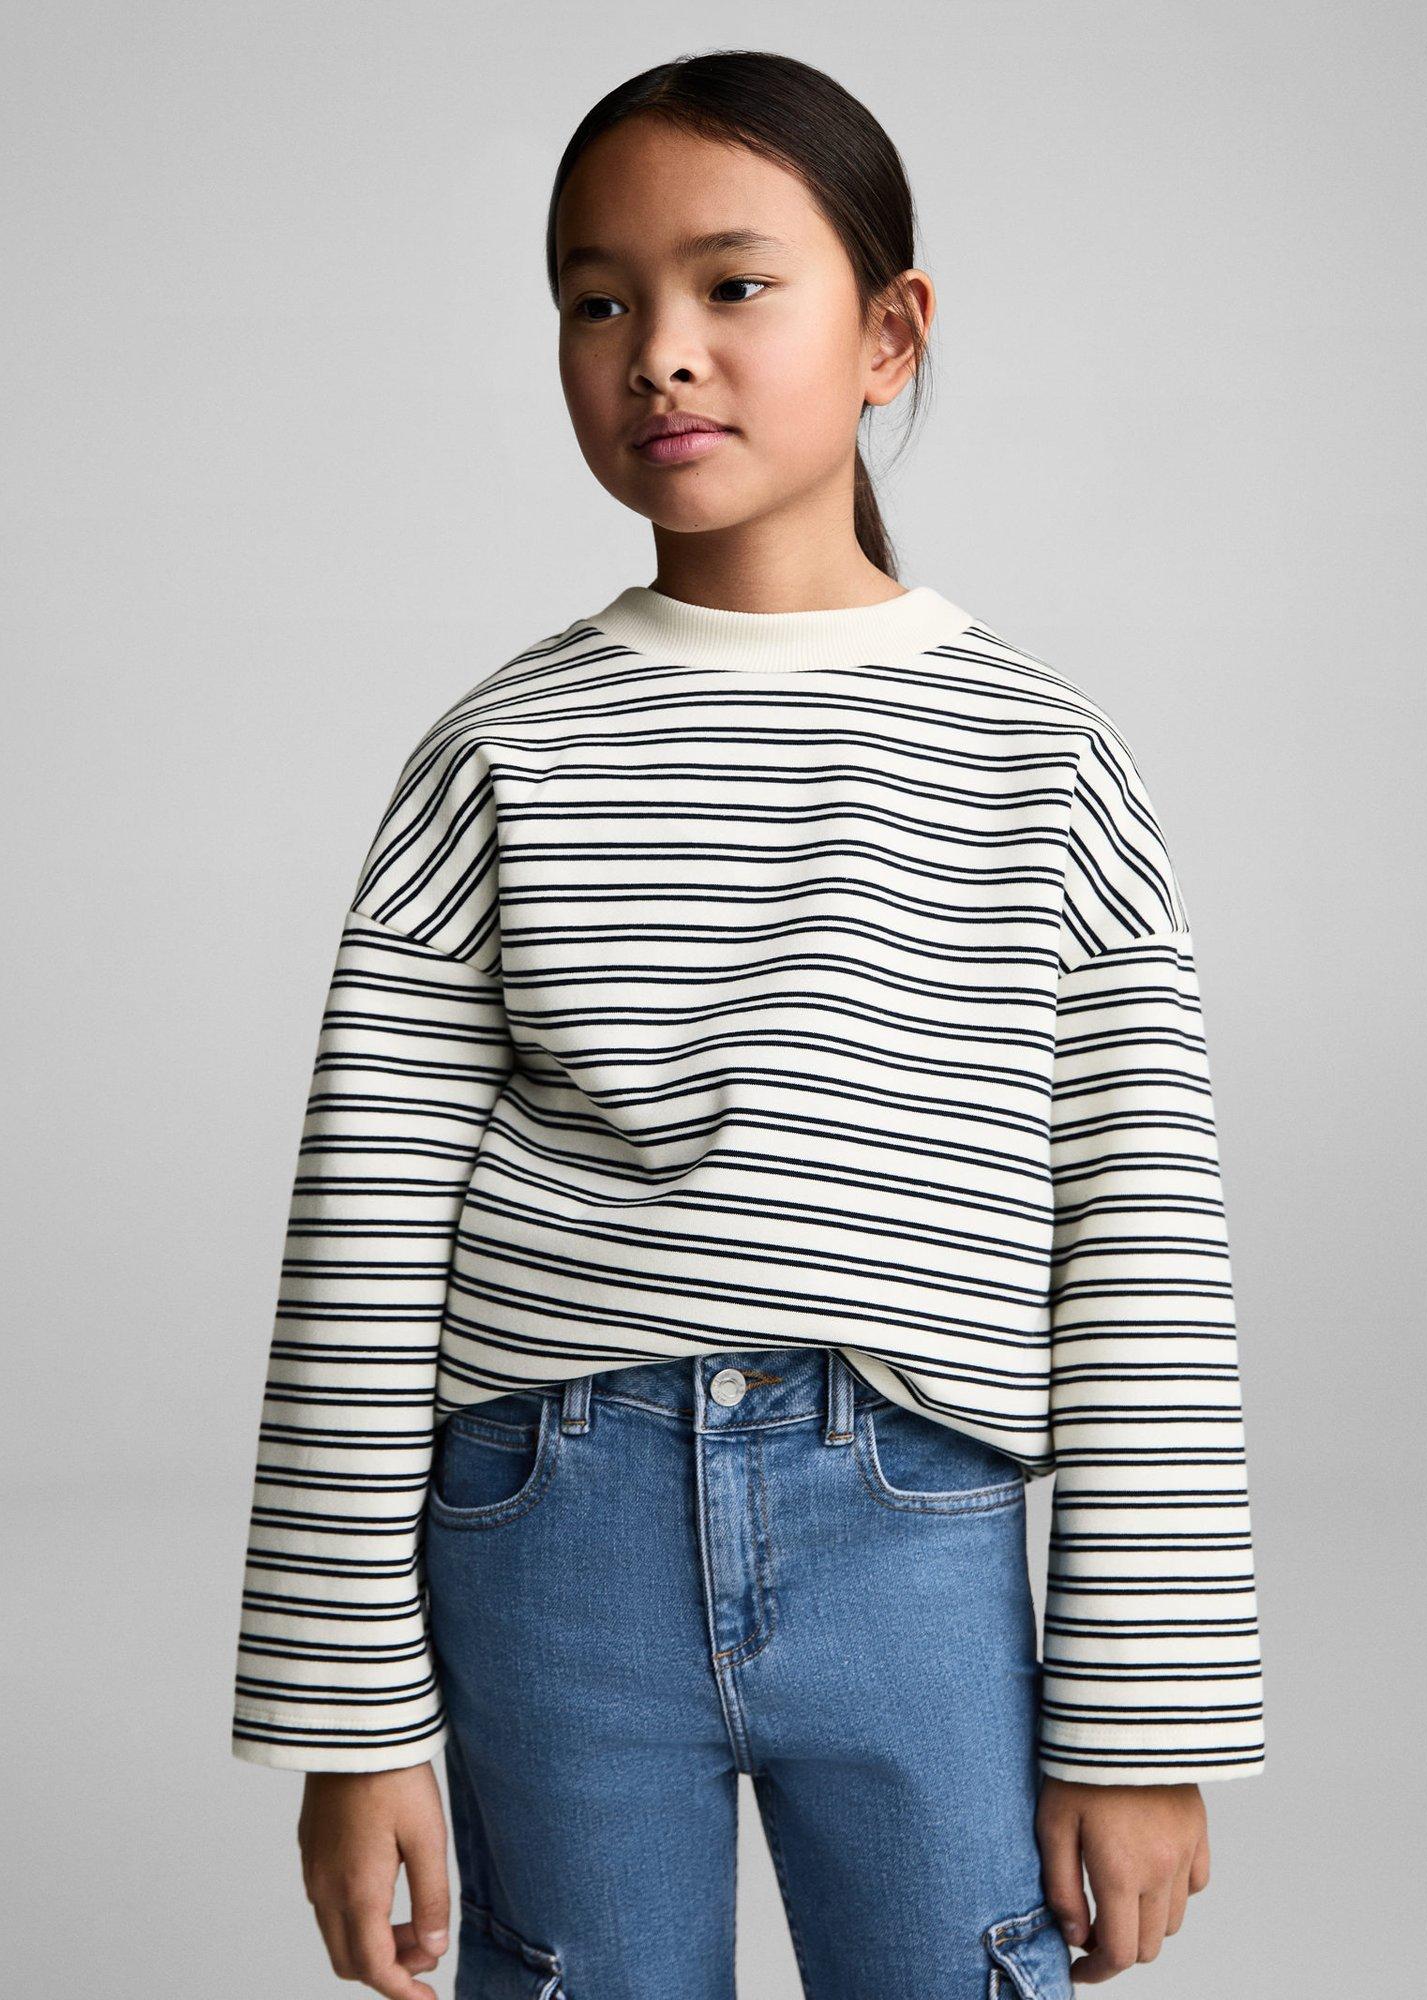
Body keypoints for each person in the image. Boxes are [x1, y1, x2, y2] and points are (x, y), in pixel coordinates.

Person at [231, 49, 1266, 2000]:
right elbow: (359, 1244)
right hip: (548, 1526)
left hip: (912, 1518)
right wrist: (347, 1721)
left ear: (890, 335)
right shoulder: (497, 754)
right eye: (595, 299)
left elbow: (1143, 1254)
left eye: (732, 284)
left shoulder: (1040, 760)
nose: (658, 351)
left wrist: (1143, 1718)